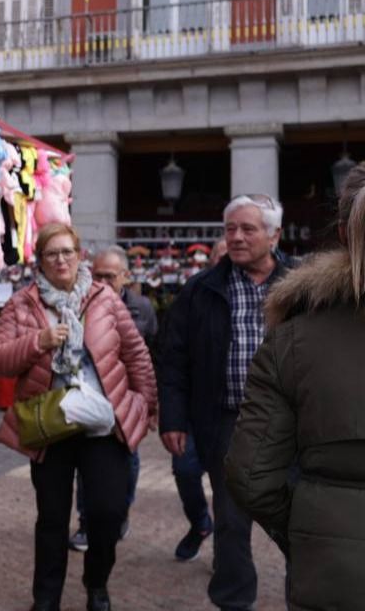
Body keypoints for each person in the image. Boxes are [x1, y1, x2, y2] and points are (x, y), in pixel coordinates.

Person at [0, 223, 156, 611]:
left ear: (80, 255)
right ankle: (46, 598)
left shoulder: (105, 299)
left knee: (107, 513)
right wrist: (38, 342)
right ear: (40, 261)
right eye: (51, 254)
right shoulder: (23, 303)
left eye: (67, 252)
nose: (61, 260)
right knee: (51, 519)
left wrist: (145, 407)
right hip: (50, 423)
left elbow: (136, 354)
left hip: (103, 422)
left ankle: (97, 584)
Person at [226, 164, 365, 610]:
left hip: (333, 572)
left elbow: (251, 477)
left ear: (342, 233)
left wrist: (315, 531)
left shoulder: (294, 336)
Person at [159, 194, 291, 611]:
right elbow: (174, 358)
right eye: (230, 229)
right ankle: (234, 601)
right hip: (227, 423)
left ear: (274, 235)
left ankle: (307, 596)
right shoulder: (201, 289)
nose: (236, 237)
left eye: (247, 229)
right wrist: (174, 418)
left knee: (301, 519)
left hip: (293, 423)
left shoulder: (303, 286)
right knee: (232, 521)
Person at [69, 247, 154, 552]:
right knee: (85, 462)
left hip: (127, 402)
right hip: (91, 399)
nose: (102, 281)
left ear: (125, 277)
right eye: (97, 274)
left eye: (109, 275)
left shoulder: (142, 308)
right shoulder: (81, 304)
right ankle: (85, 523)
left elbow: (150, 354)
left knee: (129, 461)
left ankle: (121, 512)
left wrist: (149, 403)